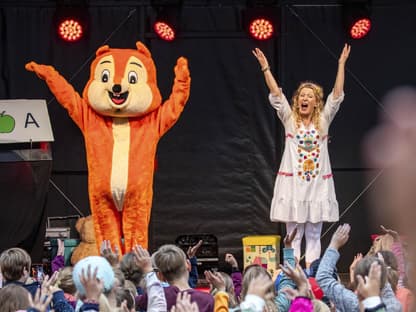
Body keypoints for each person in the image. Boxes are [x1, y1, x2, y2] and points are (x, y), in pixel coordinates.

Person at [252, 44, 351, 266]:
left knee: (314, 236)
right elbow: (276, 95)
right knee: (293, 237)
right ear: (297, 101)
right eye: (301, 96)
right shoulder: (290, 120)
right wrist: (266, 68)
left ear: (316, 102)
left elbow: (336, 96)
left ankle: (312, 278)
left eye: (309, 96)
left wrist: (341, 65)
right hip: (294, 185)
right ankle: (293, 277)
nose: (304, 98)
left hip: (317, 186)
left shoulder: (323, 121)